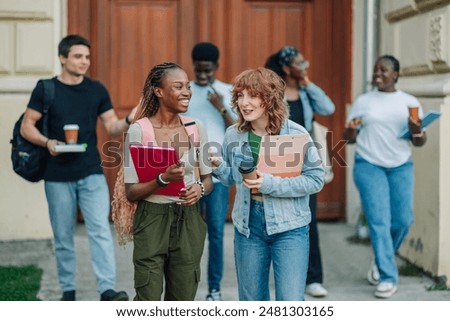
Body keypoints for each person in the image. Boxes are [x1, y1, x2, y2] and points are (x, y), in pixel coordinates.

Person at [20, 34, 136, 301]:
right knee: (63, 236)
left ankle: (107, 289)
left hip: (90, 171)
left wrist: (129, 118)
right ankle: (68, 290)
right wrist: (47, 142)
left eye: (87, 57)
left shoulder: (96, 90)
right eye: (78, 56)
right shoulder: (45, 88)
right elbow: (28, 126)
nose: (84, 61)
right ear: (63, 58)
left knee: (99, 230)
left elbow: (112, 127)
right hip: (56, 175)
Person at [211, 67, 325, 300]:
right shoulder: (234, 134)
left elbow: (315, 180)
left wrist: (269, 184)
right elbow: (232, 178)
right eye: (240, 96)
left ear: (270, 98)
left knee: (290, 302)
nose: (245, 103)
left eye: (253, 95)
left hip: (290, 228)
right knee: (252, 302)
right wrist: (217, 166)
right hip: (248, 227)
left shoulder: (295, 133)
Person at [124, 62, 213, 301]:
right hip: (152, 219)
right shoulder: (139, 131)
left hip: (189, 219)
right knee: (148, 298)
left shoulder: (196, 128)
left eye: (188, 86)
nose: (187, 92)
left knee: (183, 299)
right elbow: (131, 192)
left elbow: (207, 179)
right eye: (178, 86)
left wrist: (200, 189)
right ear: (158, 91)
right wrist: (162, 179)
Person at [344, 55, 426, 298]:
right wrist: (349, 130)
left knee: (402, 220)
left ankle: (382, 260)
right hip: (369, 164)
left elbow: (419, 142)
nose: (378, 73)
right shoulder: (364, 101)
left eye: (384, 70)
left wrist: (417, 131)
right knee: (379, 220)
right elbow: (349, 138)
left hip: (400, 165)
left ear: (396, 74)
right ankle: (388, 276)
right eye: (375, 69)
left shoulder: (409, 102)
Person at [265, 46, 335, 297]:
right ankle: (287, 274)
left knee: (309, 218)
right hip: (280, 161)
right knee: (281, 217)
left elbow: (328, 108)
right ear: (286, 68)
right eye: (299, 62)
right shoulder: (275, 91)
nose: (305, 64)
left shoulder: (305, 92)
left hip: (305, 162)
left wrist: (308, 82)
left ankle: (313, 278)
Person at [182, 42, 237, 301]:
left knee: (215, 231)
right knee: (187, 233)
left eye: (208, 70)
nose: (202, 75)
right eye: (198, 70)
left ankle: (214, 289)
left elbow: (240, 131)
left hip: (218, 174)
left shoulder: (228, 92)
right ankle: (185, 287)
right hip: (188, 173)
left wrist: (222, 106)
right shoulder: (185, 92)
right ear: (193, 66)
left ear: (216, 66)